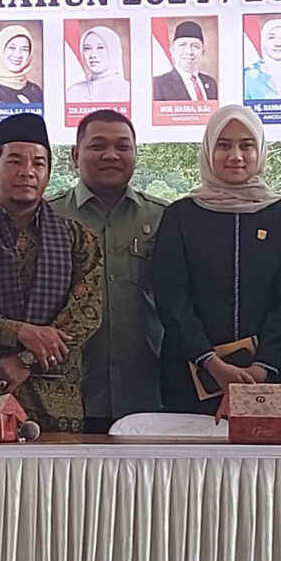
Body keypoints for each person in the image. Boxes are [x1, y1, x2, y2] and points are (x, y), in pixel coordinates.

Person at [148, 106, 281, 412]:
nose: (235, 155)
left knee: (268, 445)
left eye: (246, 145)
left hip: (272, 374)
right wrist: (211, 362)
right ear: (209, 150)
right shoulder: (181, 216)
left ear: (260, 150)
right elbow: (172, 298)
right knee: (191, 445)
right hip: (193, 375)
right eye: (224, 145)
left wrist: (261, 367)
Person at [0, 114, 102, 433]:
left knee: (57, 468)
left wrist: (25, 359)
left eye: (38, 163)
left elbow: (87, 313)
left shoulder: (78, 238)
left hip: (57, 399)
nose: (27, 171)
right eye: (15, 161)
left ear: (48, 173)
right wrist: (17, 331)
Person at [51, 110, 165, 429]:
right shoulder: (48, 219)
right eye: (97, 145)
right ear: (75, 155)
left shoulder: (163, 218)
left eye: (123, 147)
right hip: (69, 395)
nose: (111, 155)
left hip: (148, 391)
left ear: (136, 154)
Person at [0, 23, 44, 111]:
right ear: (0, 50)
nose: (18, 55)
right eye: (12, 48)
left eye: (24, 49)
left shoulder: (34, 90)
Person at [64, 25, 130, 108]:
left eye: (100, 48)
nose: (93, 55)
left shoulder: (127, 90)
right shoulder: (73, 92)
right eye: (87, 49)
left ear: (114, 51)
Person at [152, 21, 218, 102]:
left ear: (202, 52)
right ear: (172, 50)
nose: (189, 52)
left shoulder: (210, 83)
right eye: (182, 45)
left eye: (195, 46)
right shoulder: (158, 84)